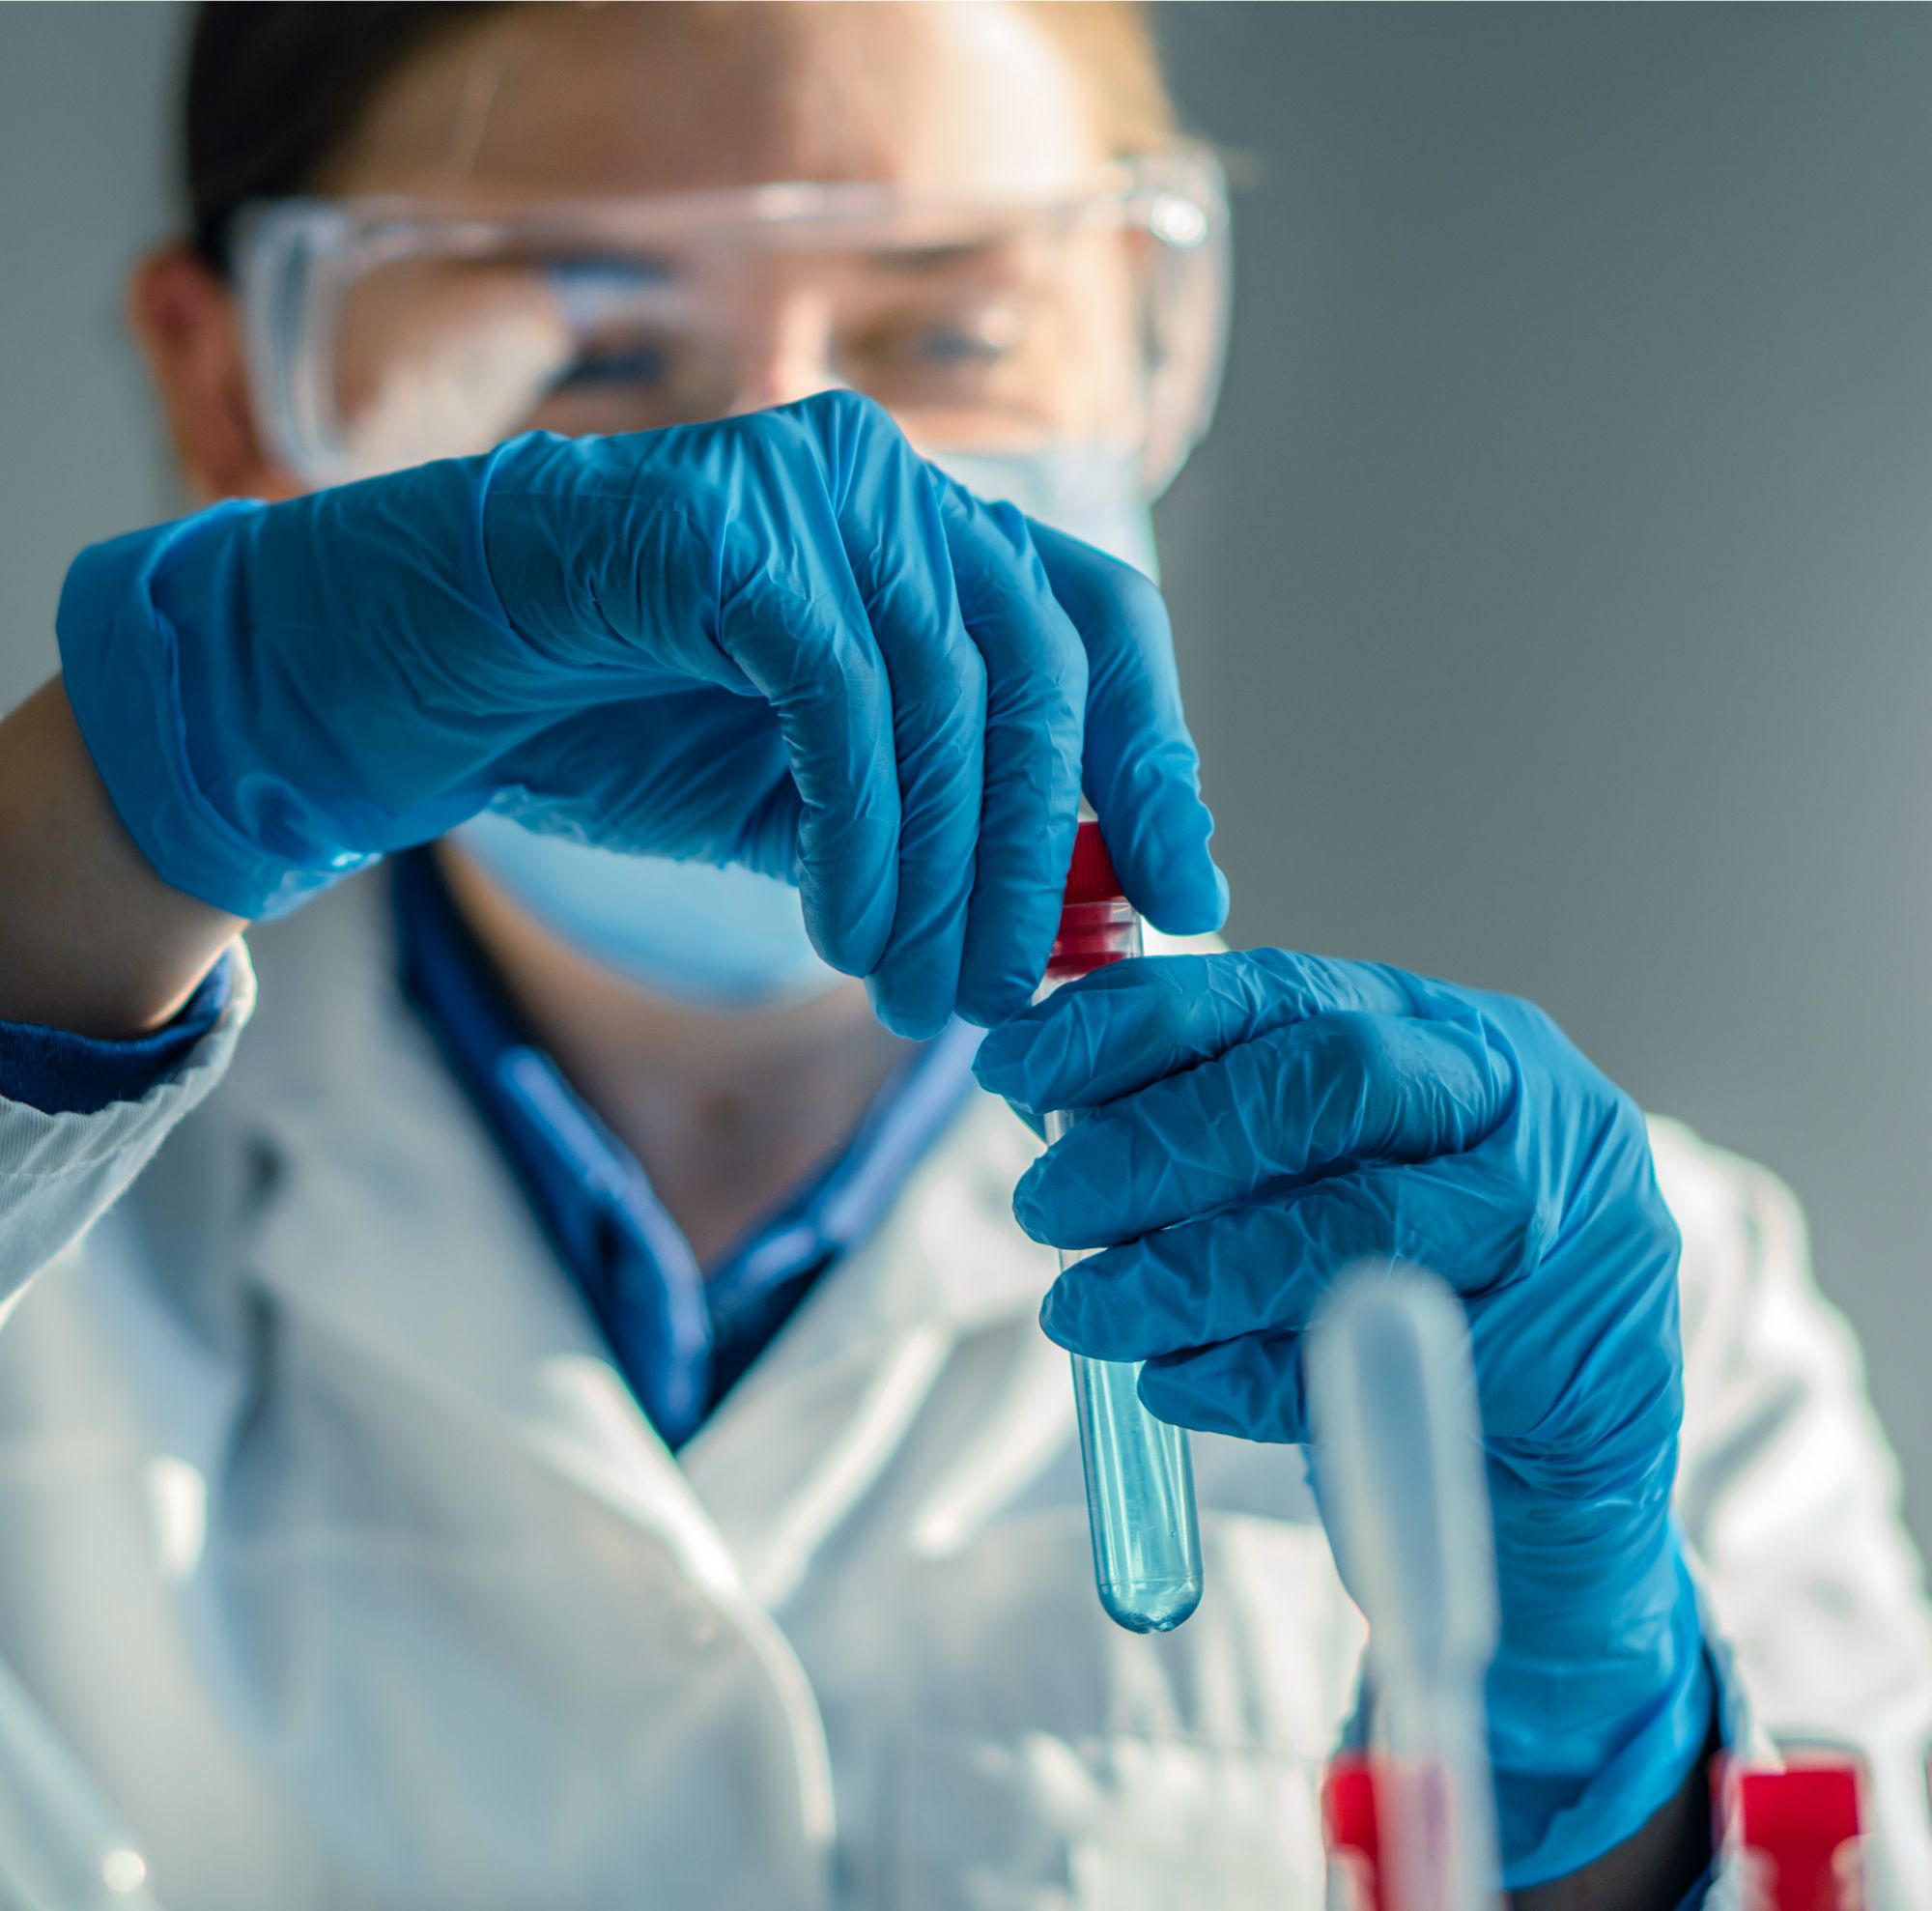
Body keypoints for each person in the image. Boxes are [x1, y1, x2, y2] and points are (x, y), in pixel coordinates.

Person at [0, 5, 1925, 1906]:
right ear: (234, 382)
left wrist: (1595, 1787)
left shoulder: (1585, 1322)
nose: (808, 450)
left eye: (953, 329)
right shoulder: (59, 1298)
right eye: (586, 344)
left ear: (1153, 348)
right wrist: (130, 764)